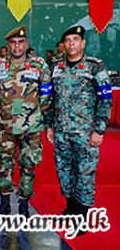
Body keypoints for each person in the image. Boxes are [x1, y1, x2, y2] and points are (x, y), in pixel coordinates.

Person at [47, 25, 112, 218]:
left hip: (86, 132)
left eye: (75, 40)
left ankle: (82, 215)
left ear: (83, 43)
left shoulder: (95, 66)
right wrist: (49, 125)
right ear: (63, 44)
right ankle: (70, 207)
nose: (71, 43)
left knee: (84, 173)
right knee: (64, 171)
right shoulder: (56, 67)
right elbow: (51, 99)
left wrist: (99, 130)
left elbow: (105, 98)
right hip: (61, 130)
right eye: (67, 40)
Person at [0, 25, 51, 216]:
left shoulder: (39, 65)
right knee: (3, 165)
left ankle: (24, 203)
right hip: (5, 126)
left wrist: (35, 114)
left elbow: (47, 93)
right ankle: (4, 203)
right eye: (13, 42)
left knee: (28, 164)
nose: (17, 46)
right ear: (8, 44)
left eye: (21, 42)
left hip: (30, 127)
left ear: (27, 44)